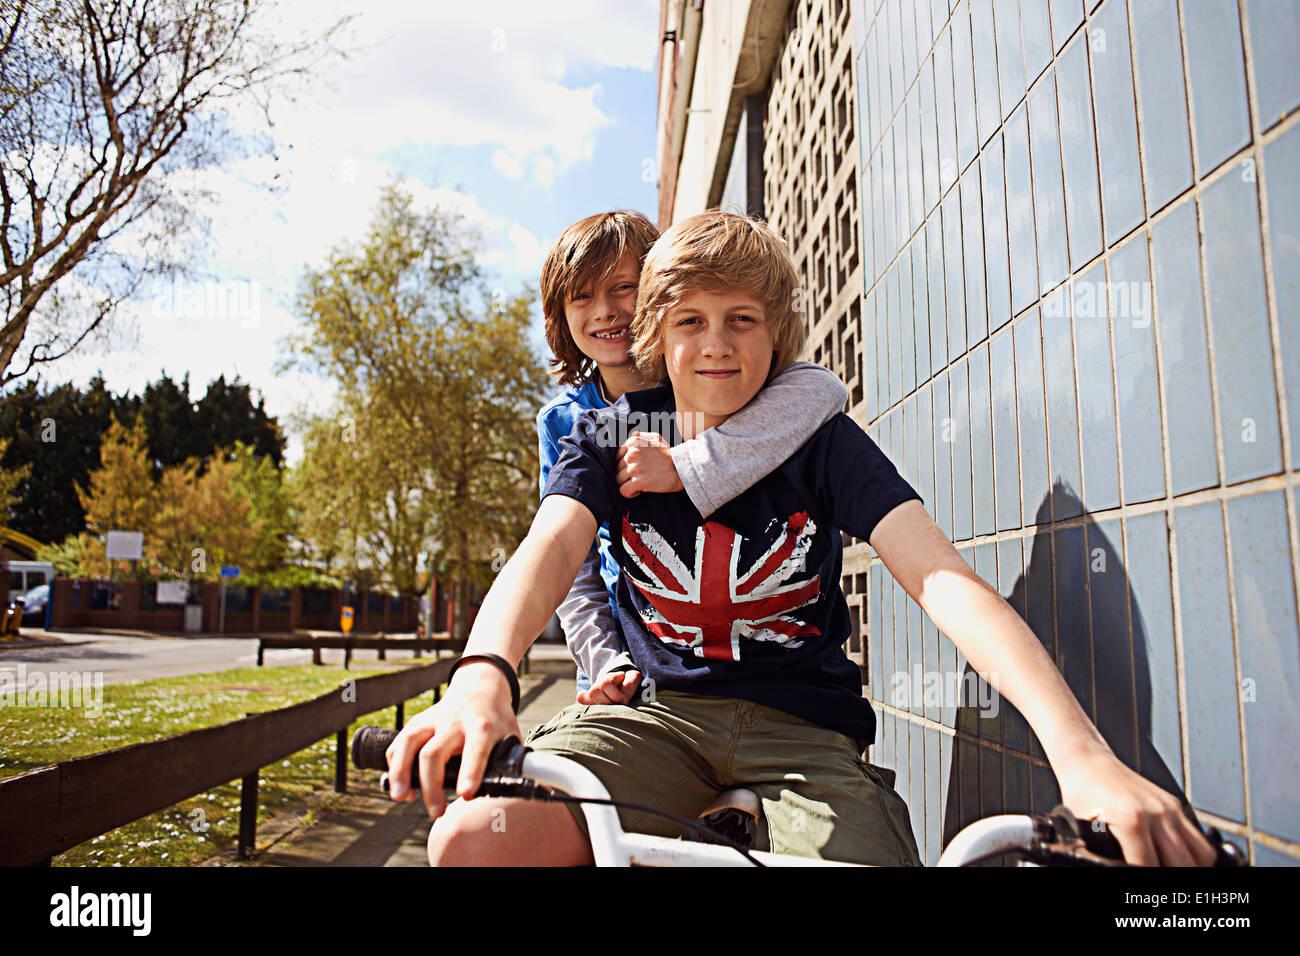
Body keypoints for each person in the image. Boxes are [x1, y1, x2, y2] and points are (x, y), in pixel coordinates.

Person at [387, 211, 1219, 868]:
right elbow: (550, 551)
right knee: (473, 837)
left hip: (807, 731)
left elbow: (945, 582)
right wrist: (480, 679)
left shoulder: (821, 442)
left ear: (776, 334)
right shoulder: (605, 438)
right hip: (661, 716)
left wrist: (1084, 759)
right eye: (689, 321)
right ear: (652, 335)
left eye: (741, 319)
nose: (715, 344)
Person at [536, 209, 849, 705]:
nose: (606, 311)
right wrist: (602, 658)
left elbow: (822, 388)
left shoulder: (715, 375)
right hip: (623, 664)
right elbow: (572, 564)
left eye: (623, 287)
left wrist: (687, 467)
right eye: (582, 296)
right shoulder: (566, 423)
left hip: (755, 664)